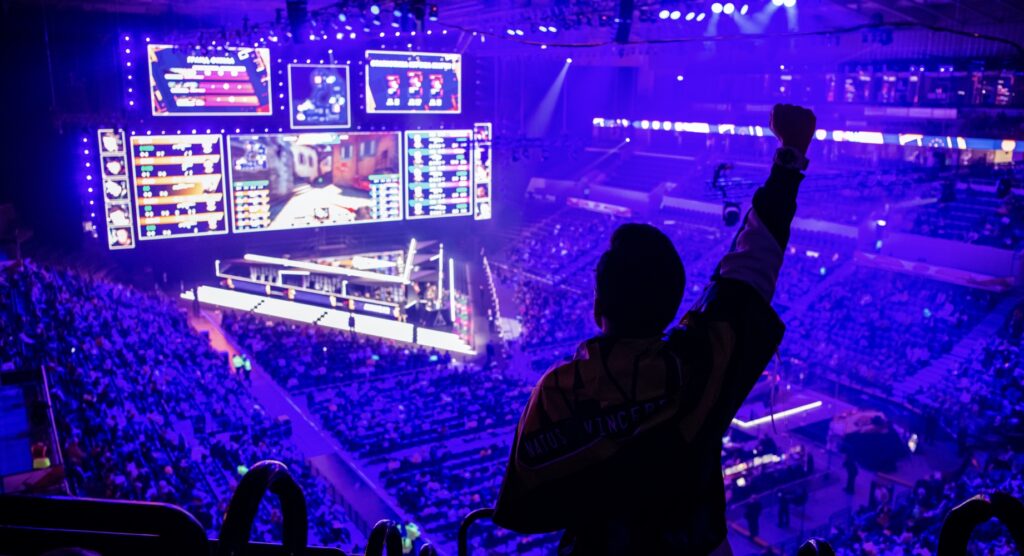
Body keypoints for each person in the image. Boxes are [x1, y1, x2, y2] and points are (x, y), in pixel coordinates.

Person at [493, 104, 817, 555]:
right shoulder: (701, 364)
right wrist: (790, 156)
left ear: (598, 305)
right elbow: (750, 268)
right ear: (671, 306)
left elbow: (524, 510)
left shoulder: (559, 392)